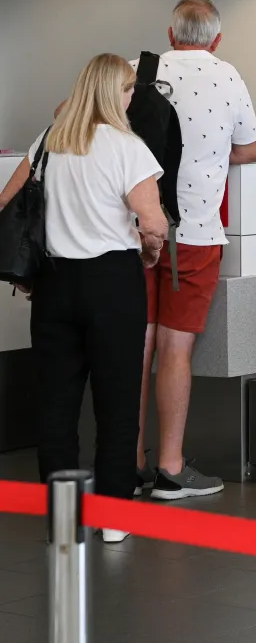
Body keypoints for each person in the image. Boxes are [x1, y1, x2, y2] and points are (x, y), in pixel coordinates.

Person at [0, 55, 167, 544]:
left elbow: (8, 204)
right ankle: (114, 514)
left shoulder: (48, 142)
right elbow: (153, 222)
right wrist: (151, 251)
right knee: (116, 401)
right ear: (117, 93)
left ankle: (62, 513)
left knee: (56, 403)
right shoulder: (126, 147)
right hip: (113, 282)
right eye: (130, 89)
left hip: (53, 285)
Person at [135, 0, 256, 499]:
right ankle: (170, 467)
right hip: (196, 235)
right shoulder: (228, 77)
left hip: (136, 231)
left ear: (170, 33)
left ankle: (128, 464)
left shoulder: (136, 71)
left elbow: (76, 117)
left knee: (134, 347)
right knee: (175, 350)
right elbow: (250, 149)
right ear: (216, 38)